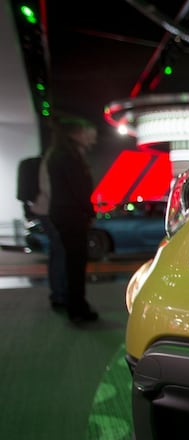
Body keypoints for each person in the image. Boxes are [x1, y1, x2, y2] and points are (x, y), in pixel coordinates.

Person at [40, 116, 99, 324]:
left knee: (69, 261)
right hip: (72, 214)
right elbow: (79, 189)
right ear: (75, 133)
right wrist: (90, 212)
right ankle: (77, 307)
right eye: (85, 133)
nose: (90, 138)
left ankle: (72, 303)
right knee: (76, 263)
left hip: (62, 213)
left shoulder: (57, 155)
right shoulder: (69, 157)